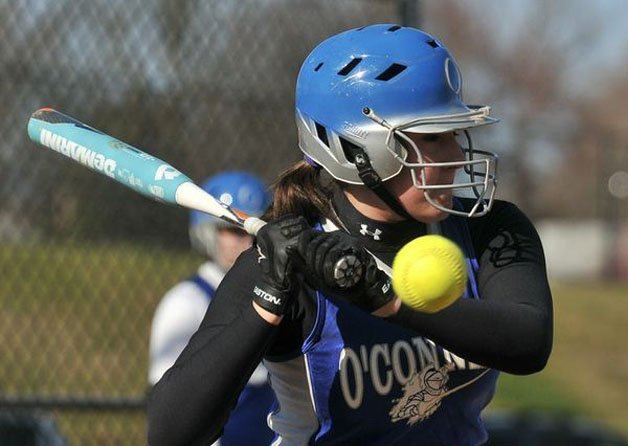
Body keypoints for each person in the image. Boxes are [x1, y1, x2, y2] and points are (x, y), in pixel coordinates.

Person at [147, 23, 553, 446]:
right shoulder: (288, 263)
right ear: (357, 152)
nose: (454, 155)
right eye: (432, 137)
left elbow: (529, 340)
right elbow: (171, 432)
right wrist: (267, 298)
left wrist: (386, 299)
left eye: (454, 133)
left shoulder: (488, 230)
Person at [148, 171, 276, 446]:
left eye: (254, 230)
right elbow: (177, 409)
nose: (246, 241)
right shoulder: (185, 302)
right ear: (208, 233)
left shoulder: (278, 297)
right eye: (233, 230)